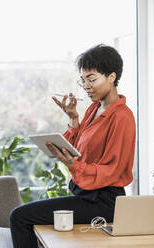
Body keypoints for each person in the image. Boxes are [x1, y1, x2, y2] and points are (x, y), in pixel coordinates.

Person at [10, 44, 136, 248]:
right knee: (27, 218)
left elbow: (113, 170)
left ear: (112, 77)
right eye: (83, 80)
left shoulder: (122, 117)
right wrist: (73, 120)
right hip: (85, 194)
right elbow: (78, 148)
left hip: (104, 201)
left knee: (20, 217)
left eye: (92, 79)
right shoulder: (94, 108)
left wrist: (75, 166)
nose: (86, 86)